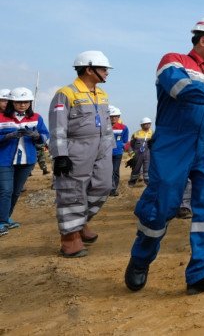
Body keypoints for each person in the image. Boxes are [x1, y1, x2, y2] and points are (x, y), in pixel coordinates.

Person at [124, 16, 204, 295]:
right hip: (175, 145)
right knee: (161, 204)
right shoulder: (173, 60)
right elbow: (181, 90)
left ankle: (202, 273)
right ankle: (140, 259)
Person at [49, 50, 115, 257]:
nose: (107, 73)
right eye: (103, 69)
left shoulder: (102, 95)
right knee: (73, 191)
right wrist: (60, 155)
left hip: (101, 149)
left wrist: (109, 149)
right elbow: (57, 127)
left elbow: (105, 125)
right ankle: (70, 237)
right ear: (89, 69)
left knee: (103, 186)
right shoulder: (66, 93)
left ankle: (81, 222)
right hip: (76, 149)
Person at [0, 87, 50, 235]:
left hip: (27, 160)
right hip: (4, 160)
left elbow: (45, 135)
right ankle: (1, 222)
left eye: (26, 102)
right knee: (5, 191)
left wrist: (36, 136)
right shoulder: (2, 118)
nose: (22, 105)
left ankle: (6, 217)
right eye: (19, 102)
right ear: (12, 103)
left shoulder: (36, 117)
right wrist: (6, 137)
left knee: (16, 192)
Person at [109, 106, 129, 196]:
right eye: (111, 116)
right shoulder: (104, 127)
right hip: (105, 153)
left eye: (115, 116)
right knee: (106, 171)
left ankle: (113, 189)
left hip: (117, 153)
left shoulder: (124, 128)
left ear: (118, 117)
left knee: (115, 171)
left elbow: (125, 141)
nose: (113, 118)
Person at [127, 118, 153, 187]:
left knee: (147, 169)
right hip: (137, 154)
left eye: (149, 124)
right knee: (136, 169)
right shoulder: (136, 134)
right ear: (141, 125)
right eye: (145, 124)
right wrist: (131, 153)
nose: (147, 125)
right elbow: (130, 145)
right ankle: (131, 183)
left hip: (148, 154)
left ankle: (148, 184)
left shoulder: (153, 134)